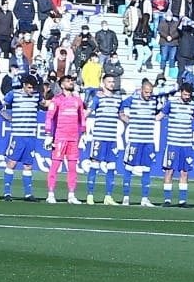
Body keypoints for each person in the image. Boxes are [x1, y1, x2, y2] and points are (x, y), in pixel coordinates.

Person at [1, 74, 44, 201]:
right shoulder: (13, 94)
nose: (32, 90)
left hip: (31, 135)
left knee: (28, 165)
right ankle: (7, 193)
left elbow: (45, 103)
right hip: (18, 135)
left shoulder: (37, 95)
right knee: (12, 163)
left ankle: (28, 194)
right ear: (24, 86)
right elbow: (1, 107)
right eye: (29, 88)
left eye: (33, 88)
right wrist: (8, 117)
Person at [83, 73, 125, 205]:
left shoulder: (119, 99)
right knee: (95, 165)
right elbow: (87, 113)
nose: (111, 84)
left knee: (111, 166)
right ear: (103, 83)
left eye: (113, 82)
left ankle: (108, 196)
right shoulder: (97, 98)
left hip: (112, 139)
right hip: (99, 138)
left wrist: (135, 121)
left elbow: (122, 115)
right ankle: (90, 195)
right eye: (109, 81)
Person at [43, 75, 86, 204]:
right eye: (68, 81)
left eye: (72, 81)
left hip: (73, 138)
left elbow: (82, 118)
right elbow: (49, 117)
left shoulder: (78, 100)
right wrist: (48, 135)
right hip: (60, 137)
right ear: (62, 85)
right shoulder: (56, 100)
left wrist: (83, 134)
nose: (71, 82)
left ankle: (71, 195)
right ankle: (51, 194)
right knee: (55, 166)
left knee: (73, 167)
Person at [120, 77, 163, 206]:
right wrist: (126, 119)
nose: (149, 95)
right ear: (141, 90)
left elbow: (159, 114)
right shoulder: (132, 99)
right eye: (146, 92)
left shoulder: (154, 101)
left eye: (150, 92)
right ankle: (126, 197)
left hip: (148, 140)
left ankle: (145, 198)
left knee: (146, 168)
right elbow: (120, 108)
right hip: (135, 140)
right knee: (129, 167)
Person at [159, 84, 194, 206]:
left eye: (189, 95)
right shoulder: (171, 103)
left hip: (187, 144)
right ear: (180, 93)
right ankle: (167, 200)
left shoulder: (192, 105)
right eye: (185, 94)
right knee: (169, 171)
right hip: (173, 143)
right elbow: (160, 116)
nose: (187, 97)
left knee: (185, 172)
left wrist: (193, 127)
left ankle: (182, 200)